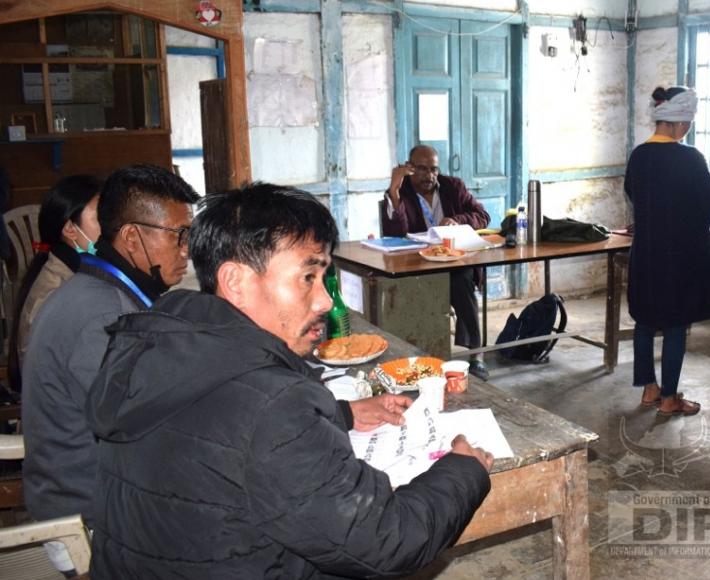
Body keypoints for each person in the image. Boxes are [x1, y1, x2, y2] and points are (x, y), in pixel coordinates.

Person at [86, 183, 493, 578]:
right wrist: (463, 470)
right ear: (236, 283)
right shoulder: (275, 404)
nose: (326, 301)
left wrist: (342, 414)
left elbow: (221, 430)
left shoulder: (162, 345)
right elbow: (386, 539)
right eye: (307, 278)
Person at [21, 164, 198, 574]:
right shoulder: (98, 316)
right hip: (90, 522)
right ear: (133, 237)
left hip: (106, 493)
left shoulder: (104, 291)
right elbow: (155, 430)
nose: (186, 249)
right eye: (178, 235)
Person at [625, 86, 710, 417]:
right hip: (679, 259)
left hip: (646, 255)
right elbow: (707, 209)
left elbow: (633, 196)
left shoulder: (638, 156)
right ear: (682, 124)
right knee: (676, 324)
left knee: (645, 320)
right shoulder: (690, 159)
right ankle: (669, 397)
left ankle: (649, 388)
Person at [383, 144, 491, 380]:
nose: (429, 176)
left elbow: (483, 216)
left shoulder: (453, 186)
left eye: (433, 169)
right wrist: (394, 189)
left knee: (462, 279)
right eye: (421, 169)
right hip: (416, 265)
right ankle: (422, 354)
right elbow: (394, 233)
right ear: (409, 168)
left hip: (451, 259)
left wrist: (458, 219)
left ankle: (476, 352)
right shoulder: (400, 192)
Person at [9, 175, 100, 387]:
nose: (112, 228)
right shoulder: (56, 294)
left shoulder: (71, 273)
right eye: (101, 219)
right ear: (70, 229)